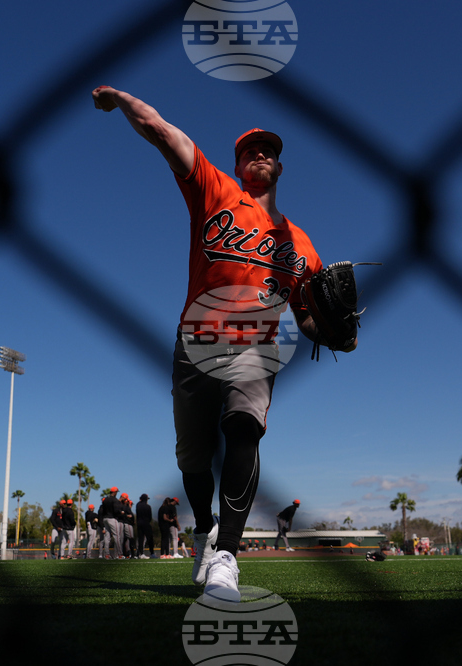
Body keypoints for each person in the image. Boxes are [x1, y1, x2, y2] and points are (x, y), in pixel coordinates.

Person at [93, 86, 343, 602]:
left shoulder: (304, 247)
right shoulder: (216, 191)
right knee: (192, 456)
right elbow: (164, 132)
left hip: (258, 345)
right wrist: (120, 100)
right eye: (251, 149)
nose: (260, 154)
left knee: (244, 426)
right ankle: (206, 530)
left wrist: (337, 334)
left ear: (278, 166)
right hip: (198, 337)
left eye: (268, 149)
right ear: (238, 163)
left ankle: (227, 552)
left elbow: (310, 320)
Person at [100, 487, 123, 559]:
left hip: (105, 519)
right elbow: (116, 510)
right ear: (115, 492)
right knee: (117, 536)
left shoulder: (106, 499)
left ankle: (106, 554)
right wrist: (120, 513)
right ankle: (120, 554)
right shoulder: (115, 500)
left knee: (107, 538)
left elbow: (103, 510)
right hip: (112, 519)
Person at [136, 494, 154, 559]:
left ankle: (140, 553)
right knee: (150, 538)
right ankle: (152, 553)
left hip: (139, 523)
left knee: (140, 539)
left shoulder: (138, 505)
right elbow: (150, 517)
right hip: (146, 523)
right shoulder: (148, 507)